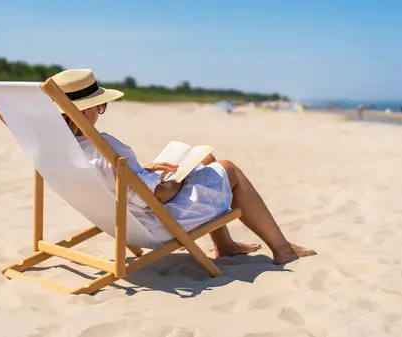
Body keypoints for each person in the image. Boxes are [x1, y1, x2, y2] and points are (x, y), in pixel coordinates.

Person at [52, 69, 316, 264]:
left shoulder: (59, 149)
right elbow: (155, 197)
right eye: (101, 105)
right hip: (153, 223)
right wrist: (176, 181)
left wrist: (140, 171)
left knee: (207, 161)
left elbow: (107, 180)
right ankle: (283, 249)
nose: (101, 110)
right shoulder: (104, 148)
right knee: (228, 168)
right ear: (88, 109)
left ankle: (224, 244)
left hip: (123, 218)